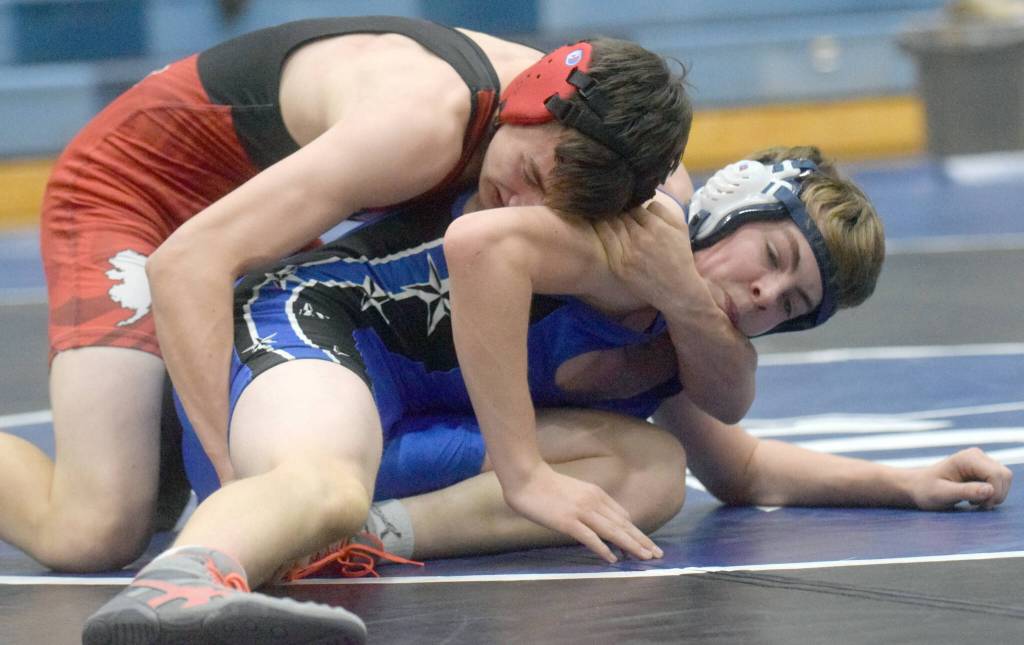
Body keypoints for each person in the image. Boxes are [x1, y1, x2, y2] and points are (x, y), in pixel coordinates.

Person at [84, 146, 1014, 645]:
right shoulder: (620, 230)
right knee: (323, 472)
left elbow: (741, 465)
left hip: (394, 428)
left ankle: (341, 537)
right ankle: (181, 585)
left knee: (649, 468)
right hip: (319, 339)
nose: (766, 295)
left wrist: (909, 482)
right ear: (731, 206)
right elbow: (485, 243)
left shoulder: (676, 341)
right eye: (771, 257)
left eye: (792, 303)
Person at [0, 16, 732, 574]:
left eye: (553, 209)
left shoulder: (628, 170)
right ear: (534, 99)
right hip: (142, 197)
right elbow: (189, 263)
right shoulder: (420, 120)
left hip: (269, 214)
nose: (519, 205)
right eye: (530, 181)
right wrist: (238, 497)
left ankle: (161, 440)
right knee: (97, 526)